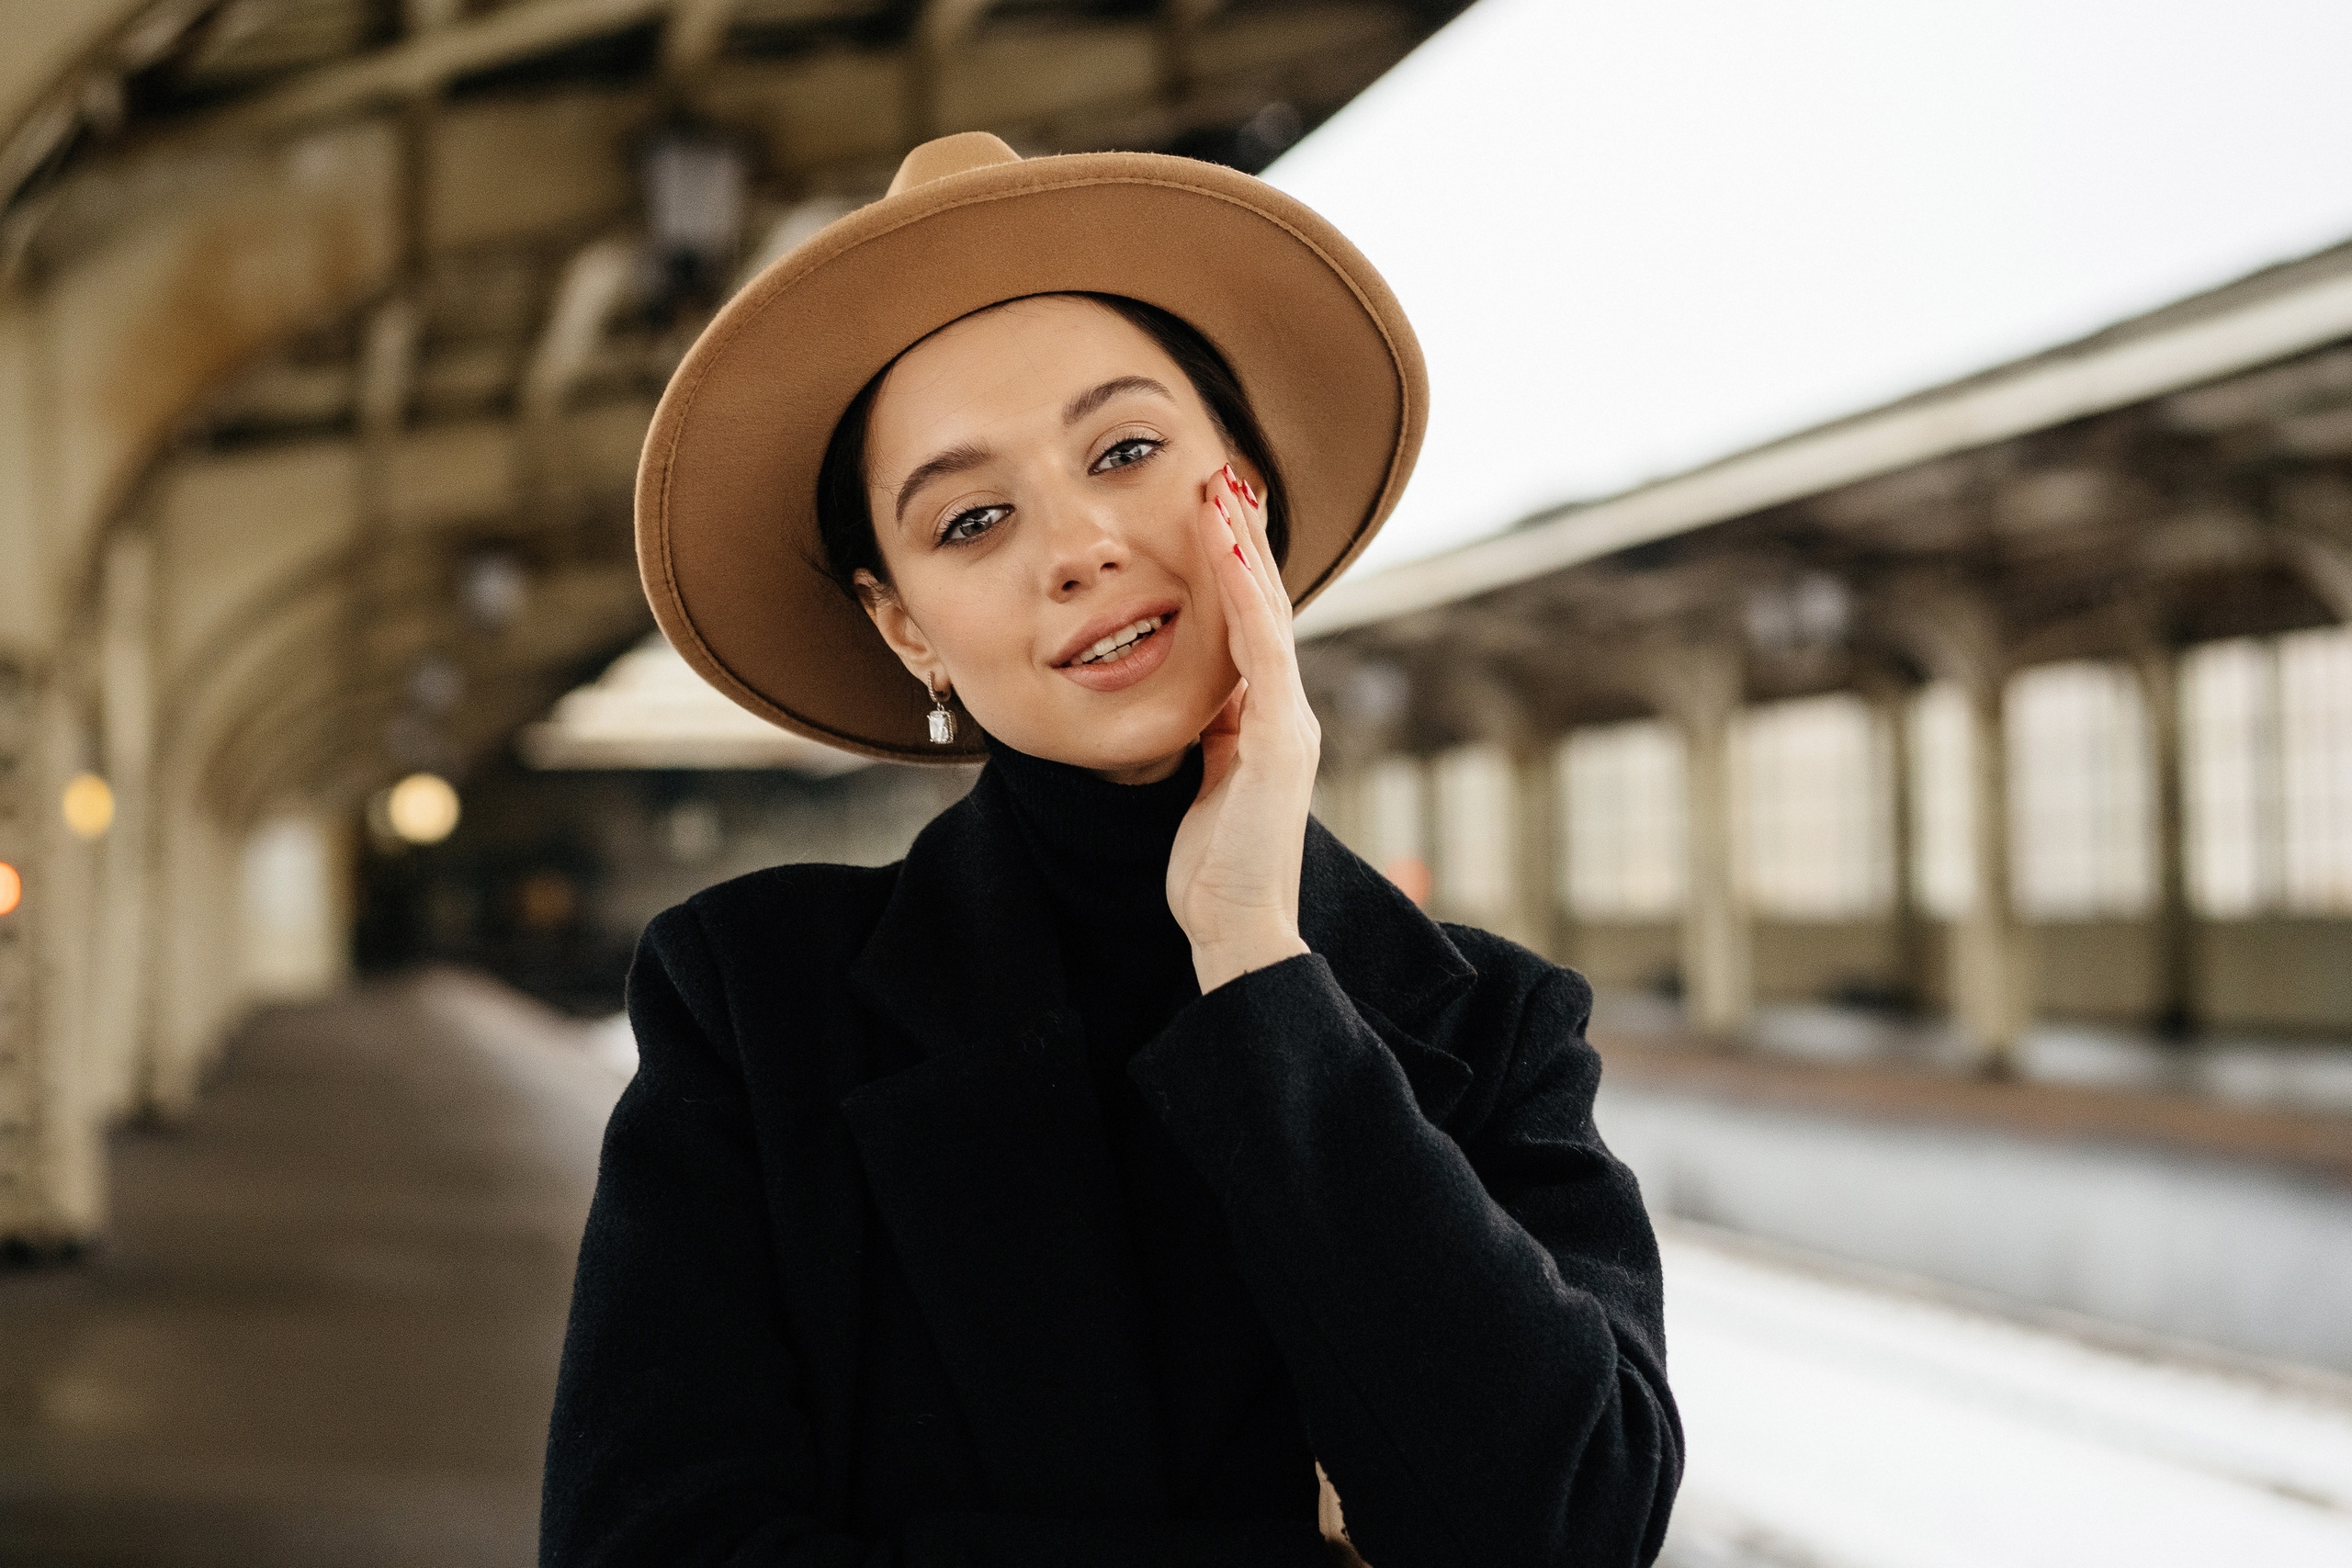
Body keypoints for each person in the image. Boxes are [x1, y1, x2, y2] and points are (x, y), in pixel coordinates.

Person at [542, 132, 1681, 1568]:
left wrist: (1259, 959)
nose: (1075, 545)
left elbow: (1565, 1528)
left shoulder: (1494, 1024)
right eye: (972, 519)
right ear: (907, 627)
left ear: (1244, 496)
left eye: (1129, 450)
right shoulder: (755, 1001)